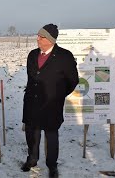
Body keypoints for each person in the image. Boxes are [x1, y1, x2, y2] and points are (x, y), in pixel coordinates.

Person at [21, 24, 79, 177]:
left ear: (51, 40)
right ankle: (32, 159)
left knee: (51, 136)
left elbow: (73, 81)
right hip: (32, 104)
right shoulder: (32, 55)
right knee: (31, 134)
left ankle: (52, 165)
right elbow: (31, 79)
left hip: (51, 105)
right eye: (38, 35)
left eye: (41, 36)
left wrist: (57, 95)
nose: (37, 38)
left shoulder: (65, 56)